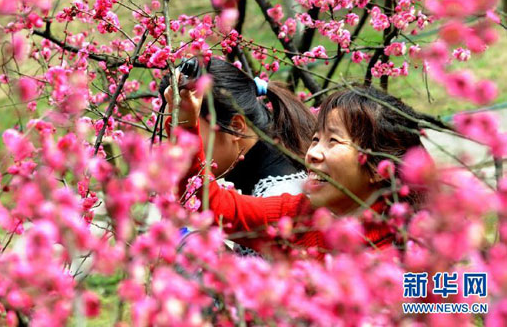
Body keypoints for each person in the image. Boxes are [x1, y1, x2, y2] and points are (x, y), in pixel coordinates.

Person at [166, 84, 436, 259]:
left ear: (379, 167)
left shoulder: (410, 251)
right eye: (316, 139)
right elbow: (210, 204)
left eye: (333, 141)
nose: (313, 153)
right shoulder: (298, 216)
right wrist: (186, 123)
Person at [160, 58, 316, 198]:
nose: (175, 149)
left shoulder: (279, 195)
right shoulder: (268, 180)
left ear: (236, 126)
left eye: (187, 132)